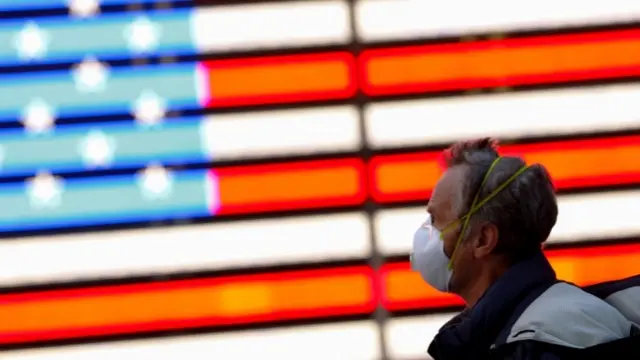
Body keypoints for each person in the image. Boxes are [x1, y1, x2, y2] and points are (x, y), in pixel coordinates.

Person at [410, 138, 639, 359]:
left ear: (483, 239)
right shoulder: (513, 334)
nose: (426, 231)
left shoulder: (542, 340)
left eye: (435, 219)